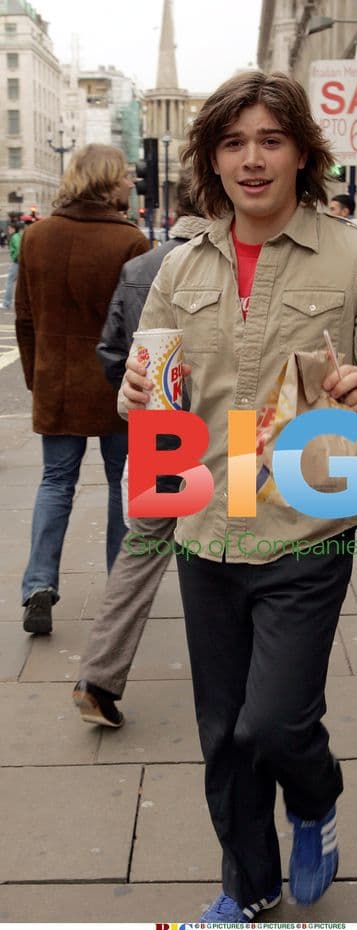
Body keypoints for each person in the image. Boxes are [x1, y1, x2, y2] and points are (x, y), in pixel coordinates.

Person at [121, 71, 357, 922]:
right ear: (210, 160)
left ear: (301, 153)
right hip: (205, 526)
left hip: (310, 517)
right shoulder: (180, 266)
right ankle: (248, 885)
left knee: (274, 721)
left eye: (269, 141)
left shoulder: (355, 256)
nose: (251, 160)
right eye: (232, 143)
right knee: (223, 734)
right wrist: (136, 403)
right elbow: (154, 391)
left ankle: (317, 797)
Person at [72, 170, 208, 728]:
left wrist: (143, 401)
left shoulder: (138, 268)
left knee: (143, 547)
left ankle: (99, 677)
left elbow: (113, 352)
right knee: (238, 544)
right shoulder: (227, 262)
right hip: (230, 433)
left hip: (162, 431)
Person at [16, 143, 149, 636]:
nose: (132, 183)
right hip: (117, 385)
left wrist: (38, 379)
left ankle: (38, 584)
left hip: (58, 382)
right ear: (108, 180)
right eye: (126, 176)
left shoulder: (37, 237)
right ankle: (119, 591)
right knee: (122, 485)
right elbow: (139, 326)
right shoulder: (130, 243)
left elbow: (25, 319)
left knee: (55, 483)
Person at [1, 222, 24, 309]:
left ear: (14, 228)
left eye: (9, 228)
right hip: (21, 262)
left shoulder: (15, 237)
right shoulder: (19, 235)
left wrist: (15, 258)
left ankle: (6, 303)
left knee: (9, 282)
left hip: (17, 262)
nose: (8, 230)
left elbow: (18, 248)